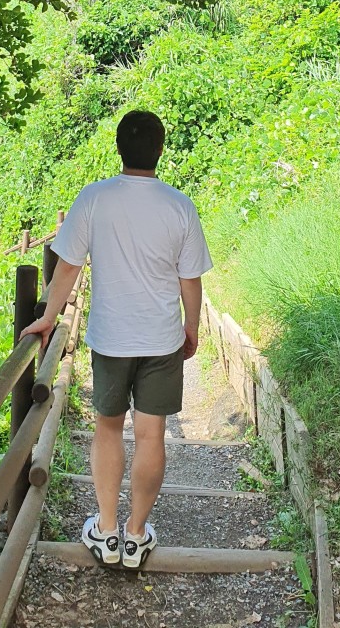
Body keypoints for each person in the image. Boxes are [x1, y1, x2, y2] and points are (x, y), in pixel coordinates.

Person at [21, 109, 213, 570]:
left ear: (119, 149)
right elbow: (190, 280)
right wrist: (192, 328)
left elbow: (67, 266)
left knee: (108, 429)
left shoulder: (94, 199)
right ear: (160, 149)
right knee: (151, 436)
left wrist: (48, 317)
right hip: (161, 339)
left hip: (110, 339)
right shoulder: (179, 206)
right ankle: (135, 535)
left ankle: (105, 531)